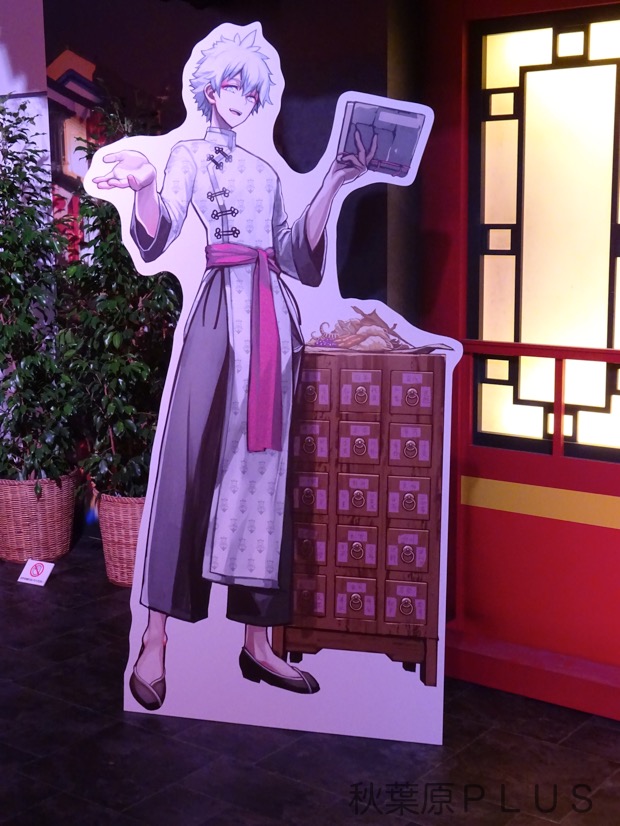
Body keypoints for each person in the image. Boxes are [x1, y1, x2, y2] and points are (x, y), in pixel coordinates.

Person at [93, 28, 375, 709]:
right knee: (188, 464)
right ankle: (154, 637)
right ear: (209, 90)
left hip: (273, 323)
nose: (239, 98)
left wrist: (335, 182)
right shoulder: (189, 155)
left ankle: (257, 642)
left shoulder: (267, 174)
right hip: (218, 319)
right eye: (228, 86)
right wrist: (144, 188)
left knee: (264, 477)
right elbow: (159, 233)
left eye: (249, 90)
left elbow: (296, 256)